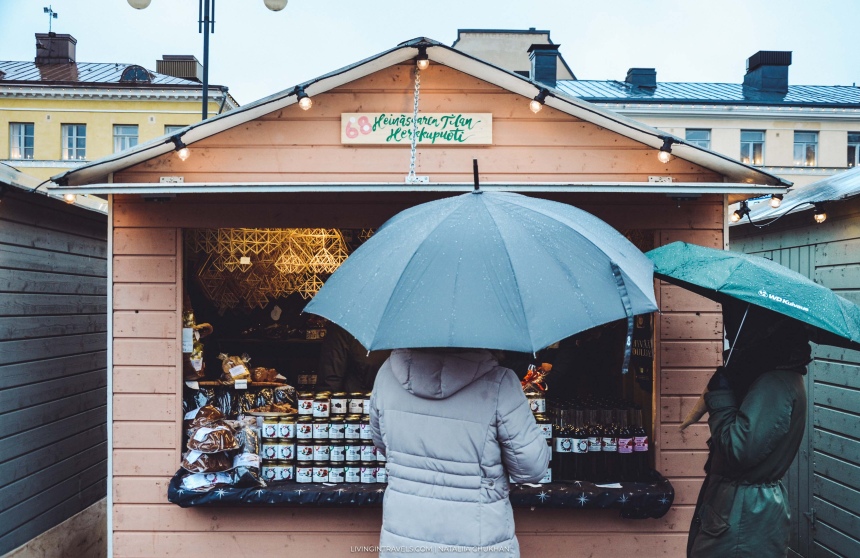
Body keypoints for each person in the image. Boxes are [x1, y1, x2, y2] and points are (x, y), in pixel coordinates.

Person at [370, 348, 550, 557]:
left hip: (404, 538)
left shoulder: (386, 375)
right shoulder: (501, 383)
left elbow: (381, 444)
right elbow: (531, 469)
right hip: (477, 540)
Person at [687, 302, 811, 558]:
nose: (734, 337)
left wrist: (721, 396)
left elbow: (739, 448)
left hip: (743, 520)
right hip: (740, 512)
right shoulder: (769, 376)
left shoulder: (775, 383)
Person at [316, 321, 389, 392]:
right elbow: (330, 381)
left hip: (368, 398)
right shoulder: (343, 328)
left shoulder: (344, 325)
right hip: (356, 399)